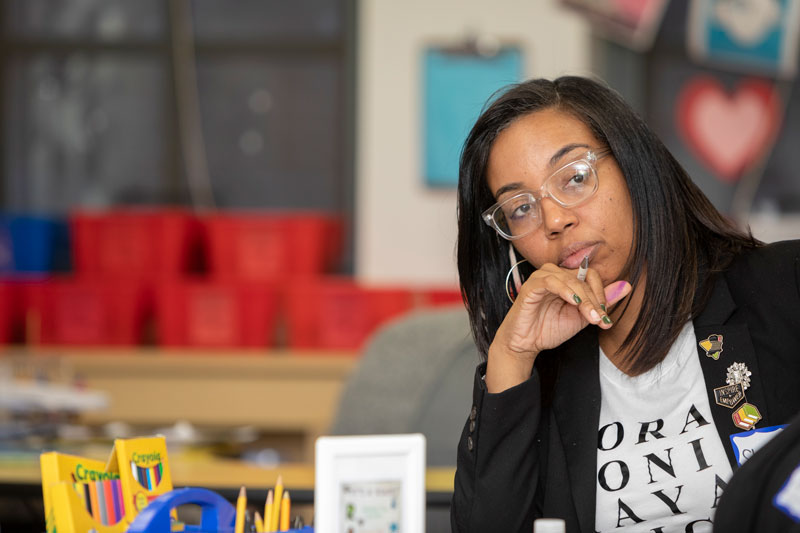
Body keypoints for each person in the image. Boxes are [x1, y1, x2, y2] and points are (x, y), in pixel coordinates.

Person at [450, 76, 800, 533]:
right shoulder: (541, 378)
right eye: (520, 208)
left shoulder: (783, 287)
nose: (554, 219)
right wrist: (510, 359)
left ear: (635, 165)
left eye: (575, 177)